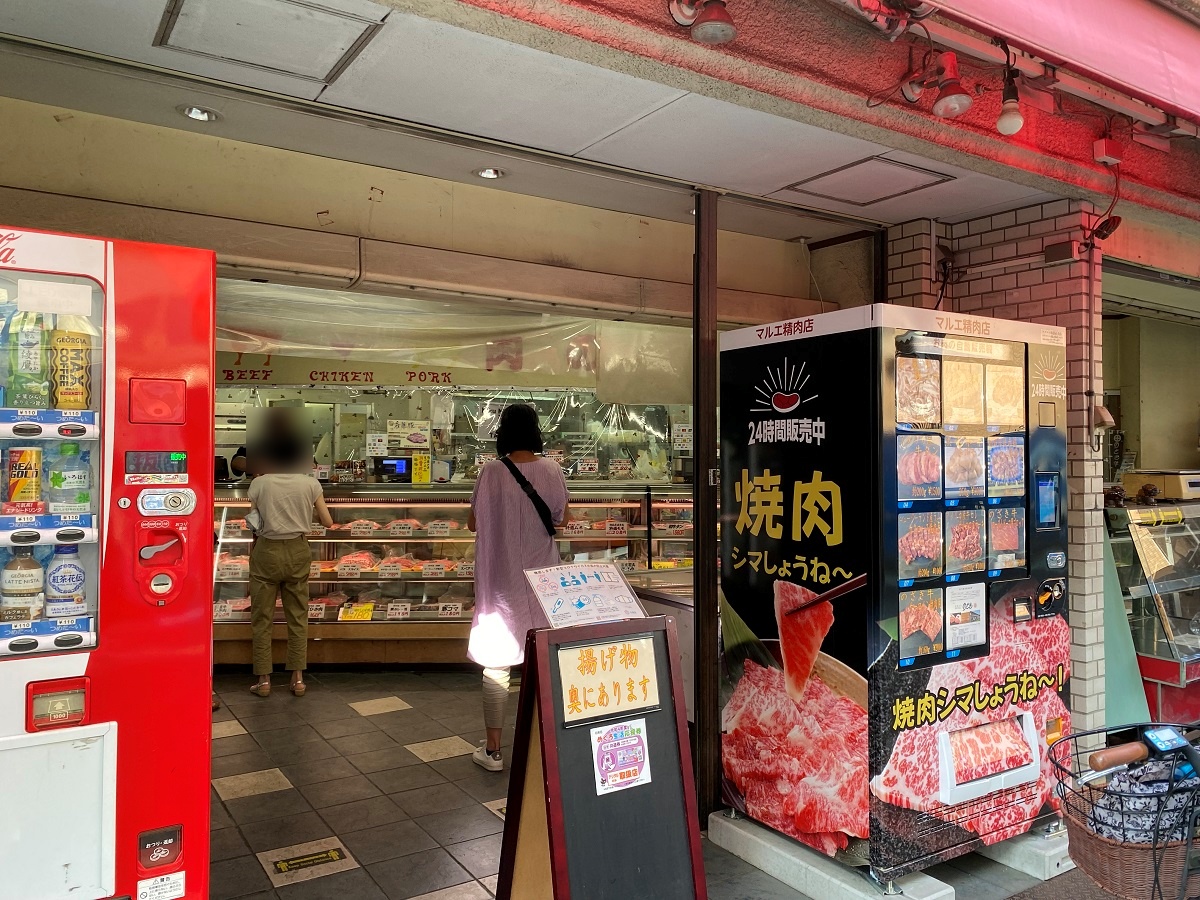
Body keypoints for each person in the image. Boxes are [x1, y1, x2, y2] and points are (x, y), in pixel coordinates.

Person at [467, 404, 568, 771]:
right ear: (536, 431)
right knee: (543, 664)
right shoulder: (552, 469)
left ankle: (493, 751)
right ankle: (546, 748)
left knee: (497, 666)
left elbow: (473, 523)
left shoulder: (491, 472)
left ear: (503, 433)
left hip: (501, 582)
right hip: (542, 583)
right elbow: (561, 517)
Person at [246, 413, 333, 697]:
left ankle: (264, 680)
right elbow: (328, 521)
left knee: (262, 619)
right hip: (297, 549)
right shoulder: (310, 484)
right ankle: (297, 679)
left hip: (266, 551)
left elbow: (253, 519)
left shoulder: (260, 483)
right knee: (298, 617)